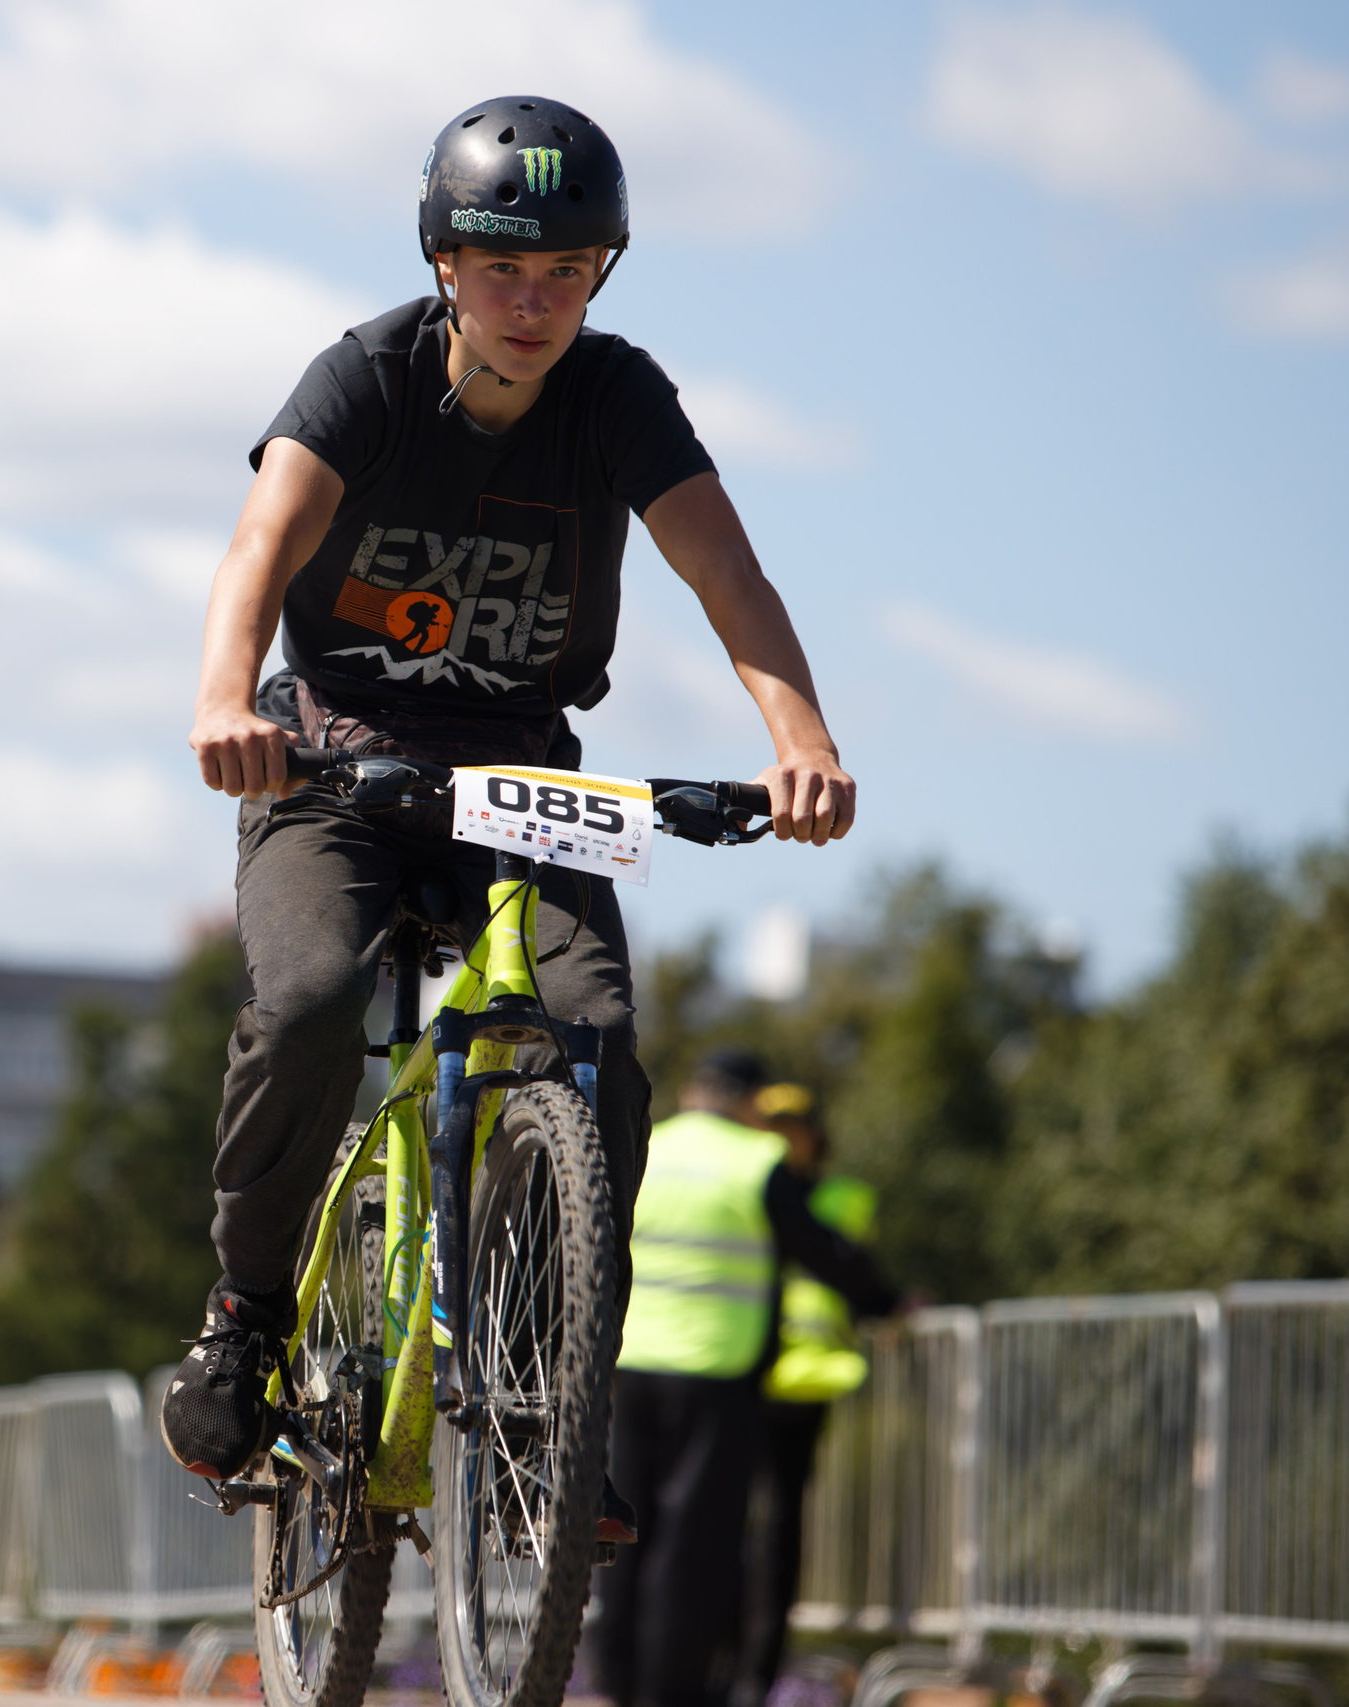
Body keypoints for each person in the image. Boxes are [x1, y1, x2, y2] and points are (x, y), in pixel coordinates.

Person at [158, 88, 859, 1511]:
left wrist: (801, 734)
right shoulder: (363, 376)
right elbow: (260, 541)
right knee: (302, 1004)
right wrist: (226, 698)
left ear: (601, 275)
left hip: (518, 772)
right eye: (501, 271)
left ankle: (548, 1389)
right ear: (443, 268)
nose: (533, 303)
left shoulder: (617, 398)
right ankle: (245, 1317)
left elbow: (729, 574)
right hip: (331, 761)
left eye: (565, 274)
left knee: (593, 1045)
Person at [596, 1054, 897, 1707]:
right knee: (693, 1541)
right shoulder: (756, 1159)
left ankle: (614, 1678)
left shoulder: (650, 1144)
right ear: (752, 1102)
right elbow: (824, 1250)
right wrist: (888, 1301)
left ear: (690, 1091)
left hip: (633, 1365)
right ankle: (669, 1690)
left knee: (623, 1525)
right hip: (716, 1369)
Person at [733, 1083, 882, 1707]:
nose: (781, 1137)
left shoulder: (842, 1198)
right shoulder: (741, 1185)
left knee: (778, 1542)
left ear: (815, 1135)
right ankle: (722, 1659)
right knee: (728, 1531)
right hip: (737, 1375)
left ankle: (755, 1678)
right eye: (772, 1126)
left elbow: (845, 1265)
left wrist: (890, 1302)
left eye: (792, 1127)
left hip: (803, 1380)